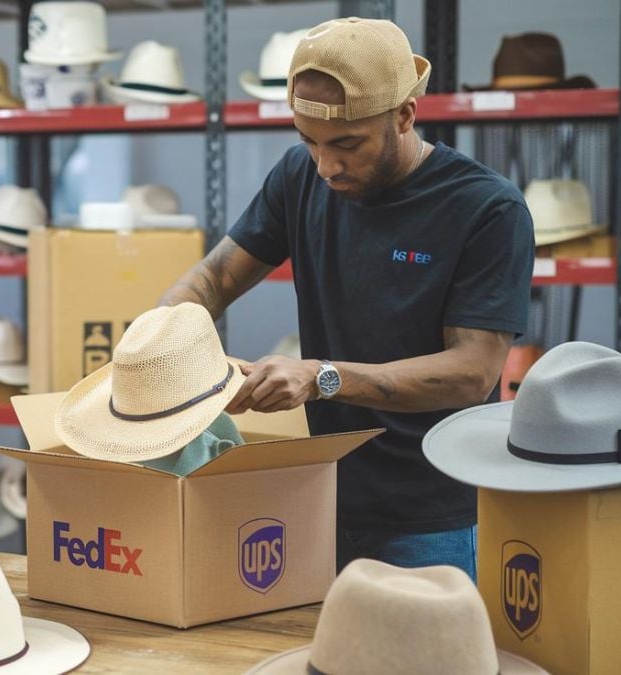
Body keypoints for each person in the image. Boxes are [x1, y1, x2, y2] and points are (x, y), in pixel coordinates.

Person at [159, 18, 534, 579]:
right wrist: (161, 338)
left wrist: (320, 377)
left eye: (347, 144)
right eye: (308, 141)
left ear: (405, 115)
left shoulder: (486, 210)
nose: (325, 166)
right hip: (319, 494)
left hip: (429, 517)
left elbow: (471, 372)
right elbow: (213, 279)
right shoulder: (298, 178)